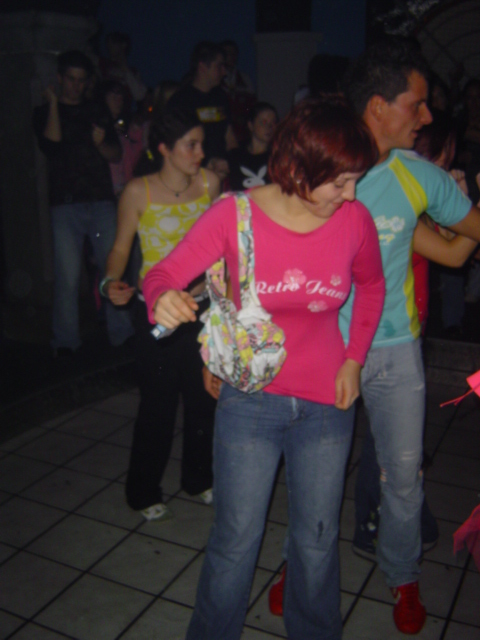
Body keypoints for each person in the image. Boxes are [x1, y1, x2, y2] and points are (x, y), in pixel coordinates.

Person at [143, 96, 385, 640]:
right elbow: (163, 274)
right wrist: (161, 298)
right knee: (235, 538)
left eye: (355, 181)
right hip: (251, 400)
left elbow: (371, 286)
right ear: (298, 168)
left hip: (327, 402)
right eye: (341, 182)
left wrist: (354, 359)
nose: (351, 195)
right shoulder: (235, 215)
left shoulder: (353, 220)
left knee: (316, 541)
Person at [339, 39, 480, 634]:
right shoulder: (319, 161)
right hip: (325, 346)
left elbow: (461, 243)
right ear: (378, 105)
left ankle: (402, 574)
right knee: (317, 471)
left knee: (403, 474)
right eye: (415, 104)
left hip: (396, 348)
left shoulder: (416, 174)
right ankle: (304, 563)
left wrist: (441, 217)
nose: (425, 116)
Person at [103, 110, 220, 521]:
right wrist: (109, 282)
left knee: (204, 398)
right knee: (158, 404)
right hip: (157, 312)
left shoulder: (210, 183)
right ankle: (143, 491)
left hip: (203, 308)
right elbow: (121, 247)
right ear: (165, 149)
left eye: (202, 144)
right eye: (191, 145)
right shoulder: (139, 191)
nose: (200, 153)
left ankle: (199, 478)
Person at [32, 50, 134, 355]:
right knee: (67, 276)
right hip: (65, 205)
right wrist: (54, 104)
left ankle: (122, 332)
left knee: (112, 270)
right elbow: (51, 146)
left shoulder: (96, 110)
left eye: (81, 80)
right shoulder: (44, 111)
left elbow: (115, 154)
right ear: (60, 78)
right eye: (71, 79)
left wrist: (101, 143)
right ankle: (66, 341)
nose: (76, 86)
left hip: (100, 201)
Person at [168, 41, 237, 181]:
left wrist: (234, 163)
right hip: (193, 176)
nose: (224, 72)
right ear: (202, 67)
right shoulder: (181, 100)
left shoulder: (221, 97)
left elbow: (230, 138)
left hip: (220, 174)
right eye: (219, 66)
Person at [226, 102, 277, 190]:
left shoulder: (277, 157)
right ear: (250, 125)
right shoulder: (237, 155)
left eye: (273, 123)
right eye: (264, 122)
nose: (269, 127)